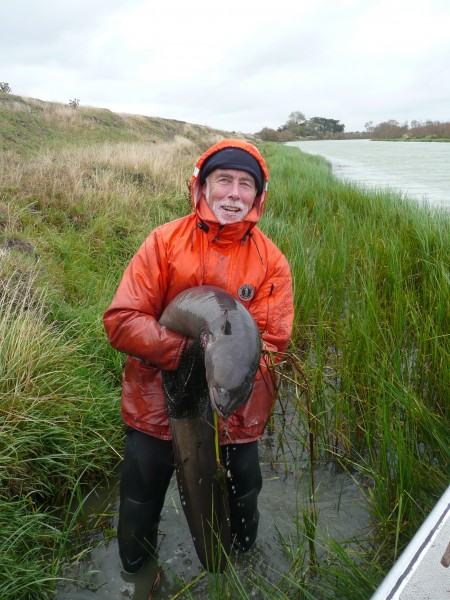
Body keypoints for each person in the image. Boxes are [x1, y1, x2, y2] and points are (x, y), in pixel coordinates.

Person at [103, 138, 294, 574]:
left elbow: (274, 341)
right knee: (139, 494)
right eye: (223, 180)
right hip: (156, 399)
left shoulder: (272, 262)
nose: (233, 193)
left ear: (258, 196)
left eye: (246, 184)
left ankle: (239, 568)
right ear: (202, 186)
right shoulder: (164, 242)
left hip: (234, 405)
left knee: (244, 491)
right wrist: (187, 352)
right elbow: (121, 319)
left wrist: (227, 392)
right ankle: (137, 573)